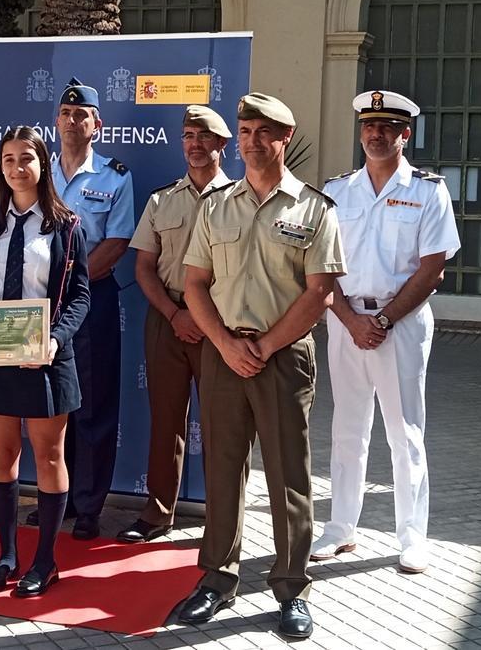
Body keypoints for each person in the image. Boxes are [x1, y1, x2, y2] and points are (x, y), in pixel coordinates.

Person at [179, 93, 344, 639]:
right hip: (224, 354)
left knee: (288, 475)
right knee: (223, 472)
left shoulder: (315, 209)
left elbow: (319, 292)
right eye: (245, 131)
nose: (251, 141)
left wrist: (267, 344)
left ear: (285, 138)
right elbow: (195, 284)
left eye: (263, 133)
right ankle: (216, 580)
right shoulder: (215, 205)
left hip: (282, 357)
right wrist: (224, 344)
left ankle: (292, 586)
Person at [311, 90, 460, 575]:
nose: (376, 135)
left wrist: (383, 320)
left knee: (404, 432)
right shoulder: (338, 191)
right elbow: (322, 265)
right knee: (347, 429)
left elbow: (432, 269)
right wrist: (352, 320)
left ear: (405, 134)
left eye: (387, 127)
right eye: (369, 126)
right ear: (360, 131)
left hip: (400, 325)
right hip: (346, 321)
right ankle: (340, 528)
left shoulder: (427, 190)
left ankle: (412, 537)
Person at [0, 127, 90, 597]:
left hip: (47, 360)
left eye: (27, 159)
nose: (18, 168)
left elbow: (79, 297)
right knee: (1, 455)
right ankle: (6, 554)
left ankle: (45, 560)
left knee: (50, 456)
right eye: (9, 159)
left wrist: (55, 339)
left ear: (44, 164)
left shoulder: (66, 225)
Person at [119, 105, 232, 543]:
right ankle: (158, 511)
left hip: (219, 323)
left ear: (222, 145)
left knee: (224, 420)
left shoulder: (239, 200)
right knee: (166, 418)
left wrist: (205, 318)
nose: (195, 145)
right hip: (168, 318)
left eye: (204, 138)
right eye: (188, 136)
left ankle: (223, 516)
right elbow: (144, 267)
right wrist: (174, 314)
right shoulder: (161, 200)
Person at [30, 78, 134, 539]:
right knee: (51, 404)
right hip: (40, 306)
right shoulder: (39, 171)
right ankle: (58, 498)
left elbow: (117, 242)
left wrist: (71, 287)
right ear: (56, 121)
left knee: (92, 405)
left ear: (97, 124)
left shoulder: (115, 176)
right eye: (65, 114)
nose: (72, 121)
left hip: (92, 302)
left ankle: (89, 504)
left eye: (81, 115)